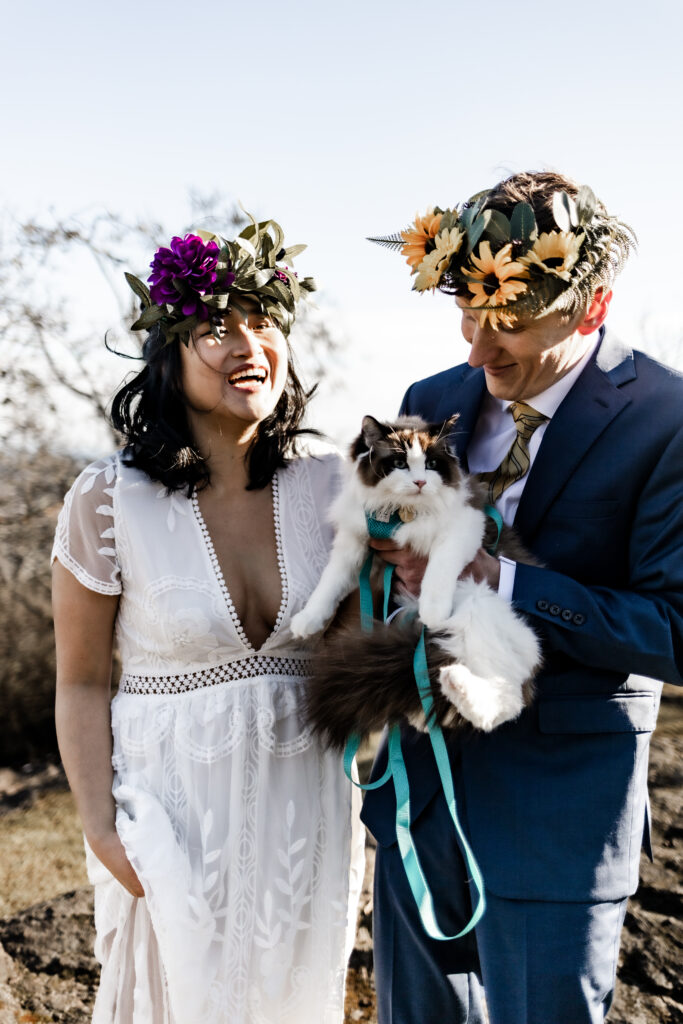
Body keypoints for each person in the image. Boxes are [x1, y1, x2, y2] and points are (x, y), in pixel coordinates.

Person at [360, 171, 683, 1023]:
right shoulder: (431, 403)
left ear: (590, 305)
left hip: (558, 821)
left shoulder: (667, 418)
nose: (476, 348)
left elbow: (676, 630)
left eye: (505, 323)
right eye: (465, 315)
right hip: (419, 803)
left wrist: (502, 582)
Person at [52, 217, 364, 1024]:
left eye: (261, 320)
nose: (244, 342)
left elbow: (359, 657)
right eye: (212, 329)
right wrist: (102, 832)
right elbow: (81, 682)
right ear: (167, 355)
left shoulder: (336, 490)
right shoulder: (107, 499)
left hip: (310, 823)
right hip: (169, 822)